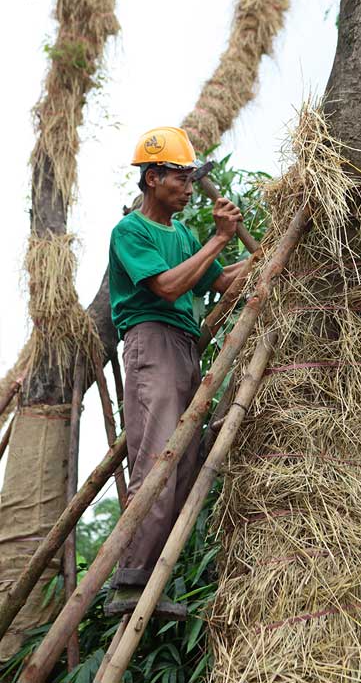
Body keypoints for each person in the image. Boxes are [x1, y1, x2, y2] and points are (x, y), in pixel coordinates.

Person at [105, 126, 244, 615]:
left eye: (191, 180)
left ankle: (149, 579)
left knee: (183, 460)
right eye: (180, 179)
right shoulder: (131, 231)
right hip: (152, 342)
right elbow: (165, 286)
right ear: (151, 179)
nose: (188, 188)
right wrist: (219, 237)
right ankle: (130, 581)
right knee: (158, 457)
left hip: (186, 345)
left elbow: (220, 281)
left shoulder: (183, 234)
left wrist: (260, 255)